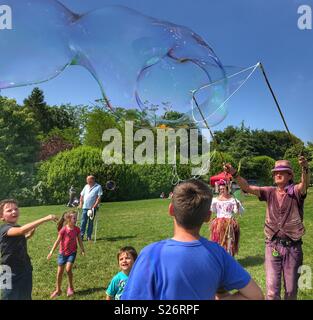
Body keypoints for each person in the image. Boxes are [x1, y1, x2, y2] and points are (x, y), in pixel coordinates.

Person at [122, 179, 264, 300]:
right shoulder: (218, 253)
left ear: (171, 210)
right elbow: (256, 295)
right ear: (208, 216)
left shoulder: (150, 254)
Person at [224, 156, 310, 300]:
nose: (277, 174)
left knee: (291, 291)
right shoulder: (269, 192)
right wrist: (234, 173)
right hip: (272, 246)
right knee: (271, 292)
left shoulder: (296, 192)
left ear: (290, 175)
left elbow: (304, 184)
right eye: (275, 172)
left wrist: (305, 168)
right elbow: (247, 187)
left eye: (282, 172)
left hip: (293, 248)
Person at [0, 199, 58, 300]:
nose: (14, 211)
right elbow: (21, 230)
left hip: (24, 268)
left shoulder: (15, 227)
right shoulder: (4, 229)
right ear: (1, 216)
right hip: (8, 271)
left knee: (25, 295)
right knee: (8, 296)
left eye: (16, 209)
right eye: (9, 210)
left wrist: (28, 236)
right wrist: (45, 218)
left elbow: (13, 242)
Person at [47, 210, 85, 299]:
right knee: (59, 272)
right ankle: (58, 290)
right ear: (68, 219)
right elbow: (57, 241)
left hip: (72, 253)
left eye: (76, 218)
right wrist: (51, 252)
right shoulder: (64, 229)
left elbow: (79, 240)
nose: (76, 220)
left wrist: (82, 249)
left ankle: (71, 287)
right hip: (62, 253)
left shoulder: (77, 229)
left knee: (68, 269)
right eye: (74, 218)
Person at [210, 179, 244, 256]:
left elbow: (237, 212)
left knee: (229, 240)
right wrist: (213, 205)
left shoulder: (232, 200)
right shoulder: (215, 200)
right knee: (218, 240)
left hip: (229, 223)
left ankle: (229, 256)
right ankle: (219, 256)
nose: (221, 190)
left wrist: (237, 206)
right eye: (220, 189)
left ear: (227, 189)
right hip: (218, 223)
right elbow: (214, 210)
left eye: (223, 189)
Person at [79, 175, 103, 241]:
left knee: (90, 222)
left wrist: (94, 206)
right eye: (87, 180)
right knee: (83, 222)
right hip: (85, 207)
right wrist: (81, 203)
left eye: (88, 180)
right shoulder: (86, 186)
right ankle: (81, 235)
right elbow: (81, 195)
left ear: (92, 180)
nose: (87, 181)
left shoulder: (98, 187)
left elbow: (99, 198)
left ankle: (89, 236)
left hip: (92, 208)